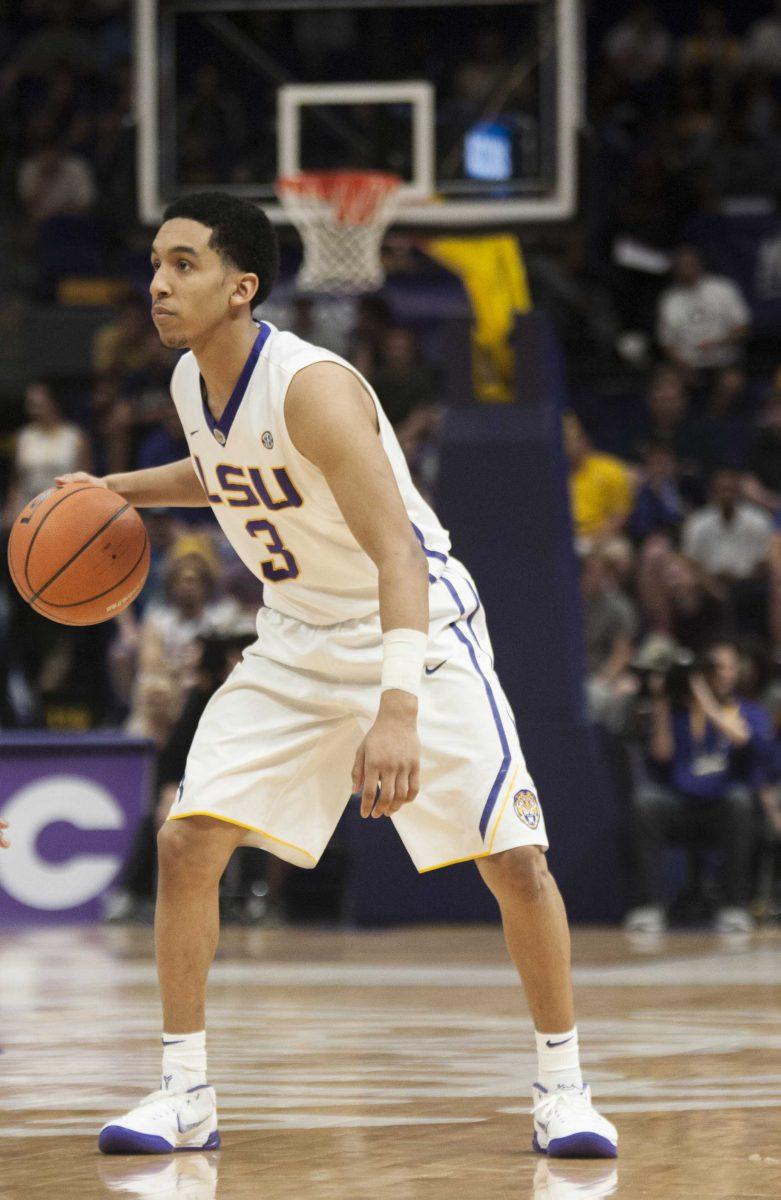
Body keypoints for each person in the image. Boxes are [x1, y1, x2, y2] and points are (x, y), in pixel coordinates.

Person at [57, 192, 617, 1159]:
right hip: (298, 635)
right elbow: (222, 468)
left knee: (515, 863)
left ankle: (563, 1089)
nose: (157, 281)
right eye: (154, 262)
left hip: (416, 623)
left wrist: (395, 709)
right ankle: (184, 1092)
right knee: (187, 843)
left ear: (242, 287)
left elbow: (396, 554)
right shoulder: (196, 381)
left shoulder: (312, 387)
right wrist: (114, 489)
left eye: (182, 264)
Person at [625, 642, 772, 935]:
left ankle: (733, 906)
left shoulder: (746, 710)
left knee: (739, 800)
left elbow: (741, 738)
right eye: (714, 667)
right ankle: (650, 906)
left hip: (721, 807)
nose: (723, 674)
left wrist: (703, 698)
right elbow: (662, 755)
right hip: (681, 805)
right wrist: (663, 701)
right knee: (646, 801)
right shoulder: (678, 712)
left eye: (729, 667)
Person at [657, 246, 751, 380]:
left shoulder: (723, 288)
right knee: (667, 383)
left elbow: (744, 329)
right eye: (681, 265)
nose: (686, 269)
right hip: (686, 364)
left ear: (699, 264)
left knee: (731, 381)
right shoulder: (669, 299)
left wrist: (719, 342)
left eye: (689, 264)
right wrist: (682, 365)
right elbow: (666, 343)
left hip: (724, 362)